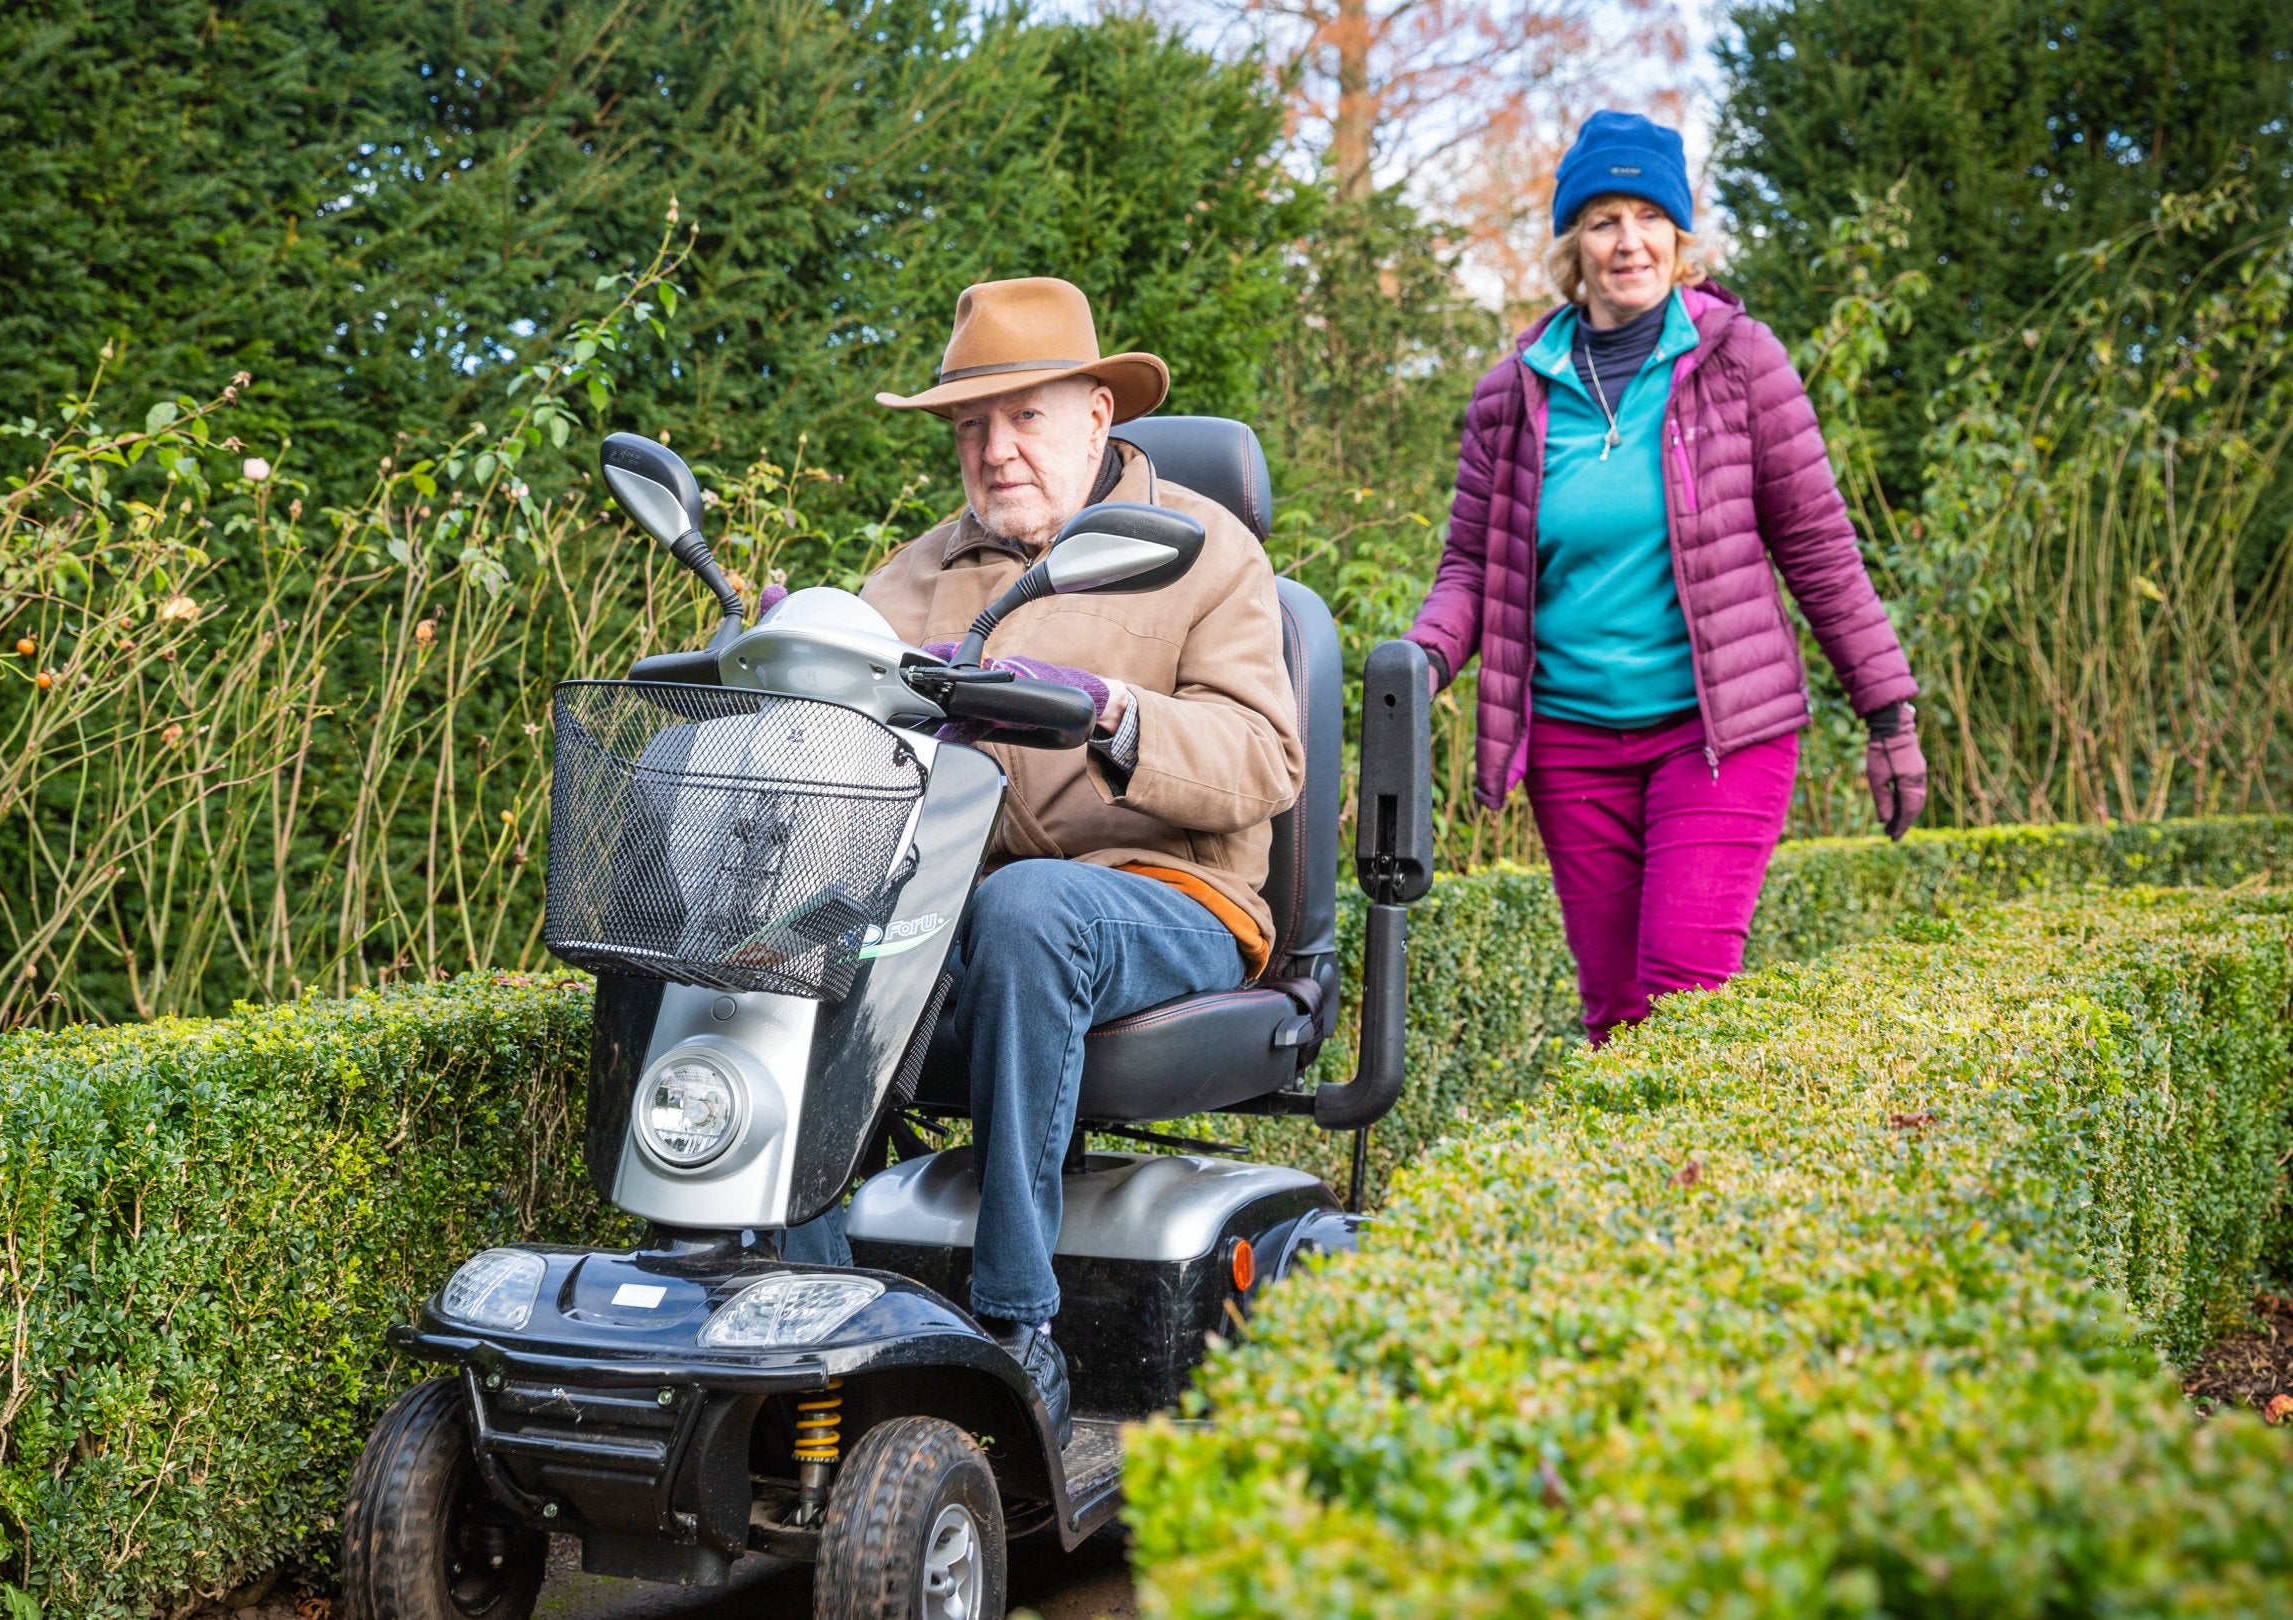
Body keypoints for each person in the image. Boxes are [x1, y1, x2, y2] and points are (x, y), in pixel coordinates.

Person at [788, 277, 1301, 1438]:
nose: (996, 448)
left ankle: (1021, 1329)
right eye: (972, 425)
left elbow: (1266, 761)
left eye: (1025, 417)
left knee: (1028, 911)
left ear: (1096, 418)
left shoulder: (1203, 553)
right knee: (793, 935)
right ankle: (813, 1313)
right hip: (959, 919)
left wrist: (1112, 712)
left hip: (1172, 898)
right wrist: (805, 668)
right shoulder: (909, 578)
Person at [1405, 110, 1929, 1047]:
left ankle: (1700, 1193)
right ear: (1575, 243)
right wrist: (1416, 661)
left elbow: (1817, 545)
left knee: (1684, 995)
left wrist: (1888, 716)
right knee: (1614, 1011)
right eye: (1603, 218)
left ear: (1680, 235)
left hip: (1716, 733)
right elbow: (1470, 568)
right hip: (1572, 743)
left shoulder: (1739, 362)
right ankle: (1643, 1199)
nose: (1628, 240)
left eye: (1649, 215)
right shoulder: (1512, 391)